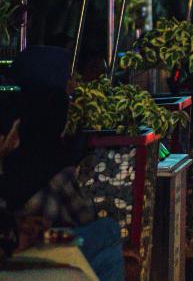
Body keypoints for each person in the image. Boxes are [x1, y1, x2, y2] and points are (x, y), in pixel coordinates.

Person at [0, 46, 125, 281]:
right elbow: (83, 216)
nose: (74, 85)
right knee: (107, 232)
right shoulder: (47, 154)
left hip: (24, 239)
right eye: (68, 77)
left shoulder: (21, 128)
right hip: (31, 247)